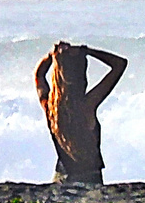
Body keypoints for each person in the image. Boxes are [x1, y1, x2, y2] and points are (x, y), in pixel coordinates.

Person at [35, 41, 127, 184]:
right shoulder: (86, 105)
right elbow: (120, 64)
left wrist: (52, 55)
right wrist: (88, 51)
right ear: (82, 76)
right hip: (89, 177)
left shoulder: (50, 107)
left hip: (60, 178)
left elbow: (39, 76)